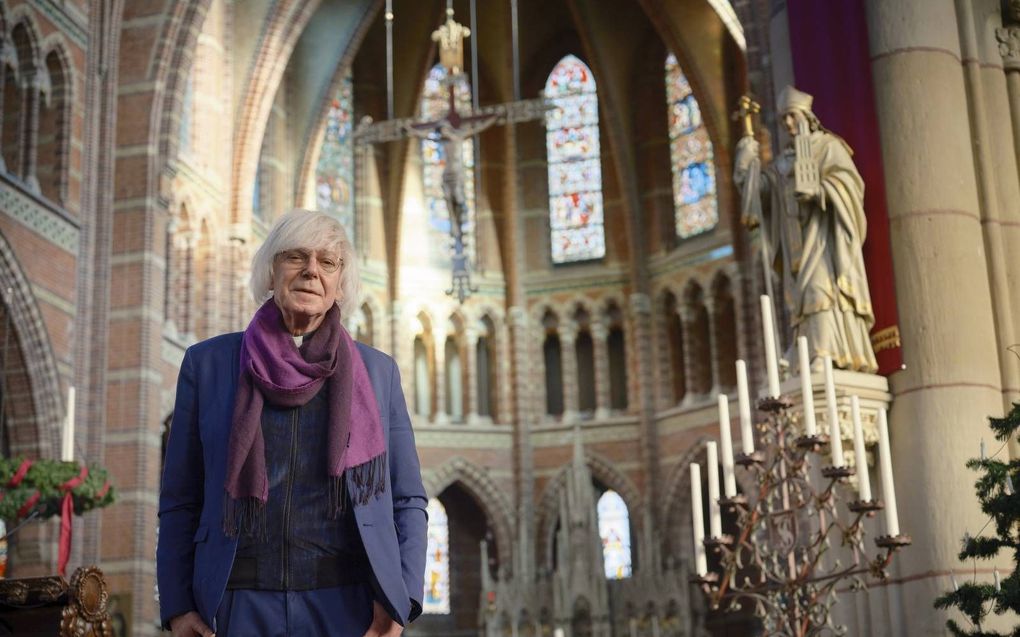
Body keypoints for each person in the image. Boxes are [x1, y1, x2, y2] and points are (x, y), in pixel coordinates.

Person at [157, 209, 428, 636]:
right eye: (295, 257)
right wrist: (176, 606)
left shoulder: (377, 373)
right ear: (270, 271)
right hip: (237, 600)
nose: (311, 271)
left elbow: (407, 499)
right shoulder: (207, 365)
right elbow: (179, 499)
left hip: (346, 604)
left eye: (328, 262)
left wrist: (402, 600)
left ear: (341, 283)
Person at [734, 85, 878, 373]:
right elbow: (762, 194)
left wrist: (820, 192)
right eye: (783, 119)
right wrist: (746, 165)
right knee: (798, 296)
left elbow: (851, 186)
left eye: (792, 116)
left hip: (822, 234)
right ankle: (807, 346)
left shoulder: (828, 147)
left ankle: (826, 351)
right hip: (792, 239)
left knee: (819, 287)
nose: (787, 124)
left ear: (807, 116)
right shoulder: (783, 161)